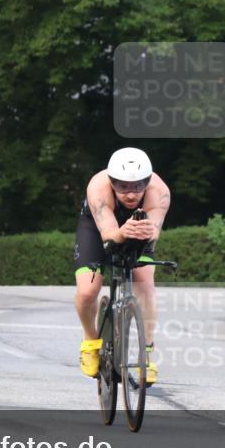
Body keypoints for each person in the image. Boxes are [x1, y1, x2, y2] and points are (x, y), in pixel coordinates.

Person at [74, 147, 170, 384]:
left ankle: (146, 353)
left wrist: (146, 233)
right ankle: (90, 341)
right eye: (123, 186)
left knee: (145, 283)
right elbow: (108, 234)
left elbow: (153, 232)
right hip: (98, 229)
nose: (131, 194)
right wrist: (120, 233)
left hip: (138, 229)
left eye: (138, 186)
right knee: (88, 291)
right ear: (111, 182)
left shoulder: (160, 192)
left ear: (147, 181)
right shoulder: (98, 187)